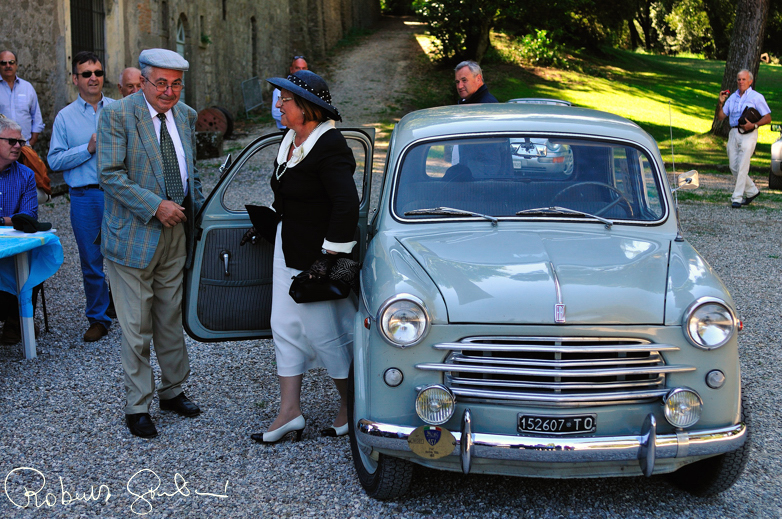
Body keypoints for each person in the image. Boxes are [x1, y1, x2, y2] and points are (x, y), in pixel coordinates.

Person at [244, 70, 358, 443]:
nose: (278, 104)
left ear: (306, 107)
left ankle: (350, 405)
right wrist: (269, 222)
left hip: (317, 256)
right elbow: (290, 194)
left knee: (326, 333)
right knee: (284, 326)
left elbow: (346, 205)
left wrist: (329, 256)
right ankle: (289, 411)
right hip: (287, 246)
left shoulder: (331, 145)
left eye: (284, 99)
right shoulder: (292, 139)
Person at [97, 48, 204, 439]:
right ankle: (137, 406)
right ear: (142, 81)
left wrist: (194, 215)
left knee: (169, 318)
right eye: (161, 83)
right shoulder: (117, 114)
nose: (169, 92)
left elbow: (191, 172)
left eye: (176, 84)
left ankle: (173, 390)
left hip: (175, 232)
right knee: (136, 326)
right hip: (134, 235)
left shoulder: (187, 116)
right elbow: (109, 174)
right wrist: (155, 205)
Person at [47, 51, 114, 342]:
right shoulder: (65, 118)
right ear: (76, 79)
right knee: (91, 260)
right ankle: (99, 318)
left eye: (97, 73)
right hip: (85, 197)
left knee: (126, 256)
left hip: (118, 194)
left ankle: (129, 311)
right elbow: (54, 162)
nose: (93, 78)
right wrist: (87, 149)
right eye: (86, 74)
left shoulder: (118, 109)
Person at [0, 117, 41, 344]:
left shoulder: (25, 175)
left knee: (33, 259)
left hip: (15, 246)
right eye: (11, 141)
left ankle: (16, 323)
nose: (18, 146)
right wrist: (10, 220)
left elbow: (28, 218)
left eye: (21, 142)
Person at [717, 69, 771, 208]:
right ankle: (752, 191)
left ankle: (737, 198)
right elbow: (721, 116)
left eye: (744, 79)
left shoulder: (756, 97)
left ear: (750, 81)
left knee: (742, 165)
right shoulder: (733, 97)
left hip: (749, 134)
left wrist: (753, 125)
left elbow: (768, 118)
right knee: (733, 166)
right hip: (734, 133)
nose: (741, 82)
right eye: (739, 79)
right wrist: (721, 103)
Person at [0, 50, 44, 147]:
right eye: (3, 63)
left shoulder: (27, 87)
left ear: (16, 65)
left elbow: (36, 118)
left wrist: (31, 142)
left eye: (11, 62)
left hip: (25, 146)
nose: (8, 65)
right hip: (2, 149)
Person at [271, 56, 308, 129]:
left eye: (303, 68)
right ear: (291, 69)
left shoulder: (310, 88)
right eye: (297, 68)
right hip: (287, 130)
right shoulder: (280, 89)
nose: (301, 71)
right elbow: (275, 113)